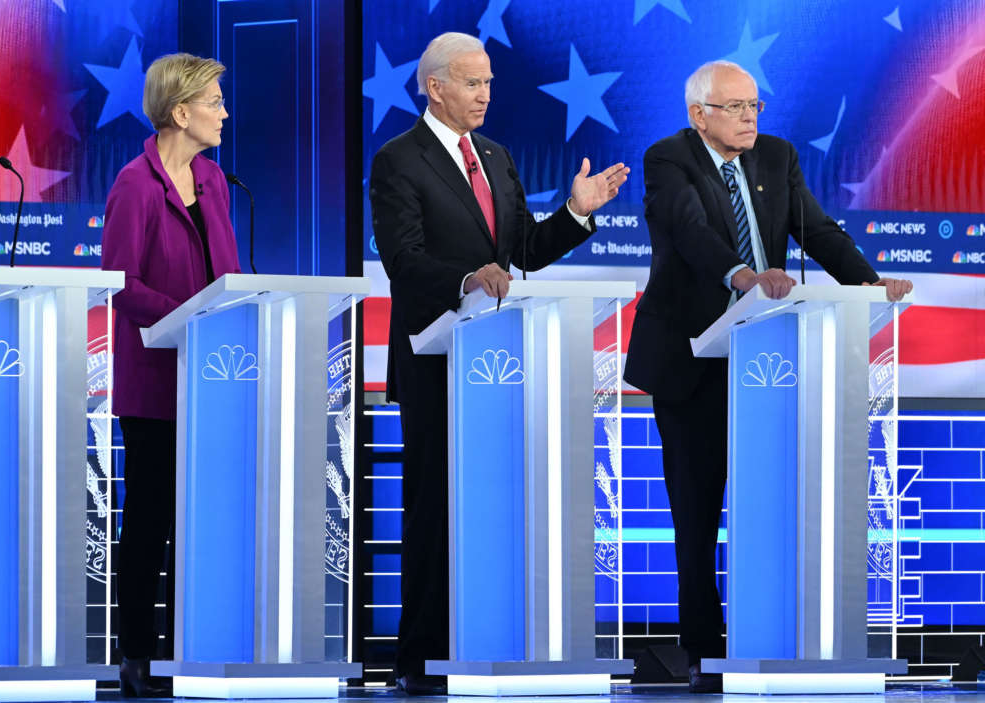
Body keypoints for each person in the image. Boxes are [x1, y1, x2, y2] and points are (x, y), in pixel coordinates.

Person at [623, 60, 912, 693]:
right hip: (690, 360)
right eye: (735, 107)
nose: (750, 117)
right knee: (696, 514)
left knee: (773, 505)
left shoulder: (776, 157)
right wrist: (741, 275)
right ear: (700, 113)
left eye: (755, 105)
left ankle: (771, 639)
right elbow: (688, 230)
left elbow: (818, 231)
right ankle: (701, 649)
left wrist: (867, 284)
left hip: (768, 365)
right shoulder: (668, 159)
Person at [369, 31, 629, 696]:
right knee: (434, 508)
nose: (486, 94)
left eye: (489, 82)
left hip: (500, 368)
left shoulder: (496, 155)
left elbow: (527, 250)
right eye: (472, 82)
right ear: (436, 88)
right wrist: (468, 278)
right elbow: (404, 260)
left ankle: (488, 642)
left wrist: (575, 212)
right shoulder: (399, 160)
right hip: (435, 359)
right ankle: (419, 659)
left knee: (497, 504)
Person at [100, 52, 241, 698]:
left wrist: (229, 314)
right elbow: (122, 284)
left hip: (212, 383)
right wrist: (188, 316)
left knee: (203, 519)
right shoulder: (136, 183)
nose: (224, 112)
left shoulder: (213, 180)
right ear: (180, 112)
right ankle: (136, 655)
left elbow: (230, 280)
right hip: (156, 381)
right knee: (151, 516)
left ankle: (195, 646)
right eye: (214, 102)